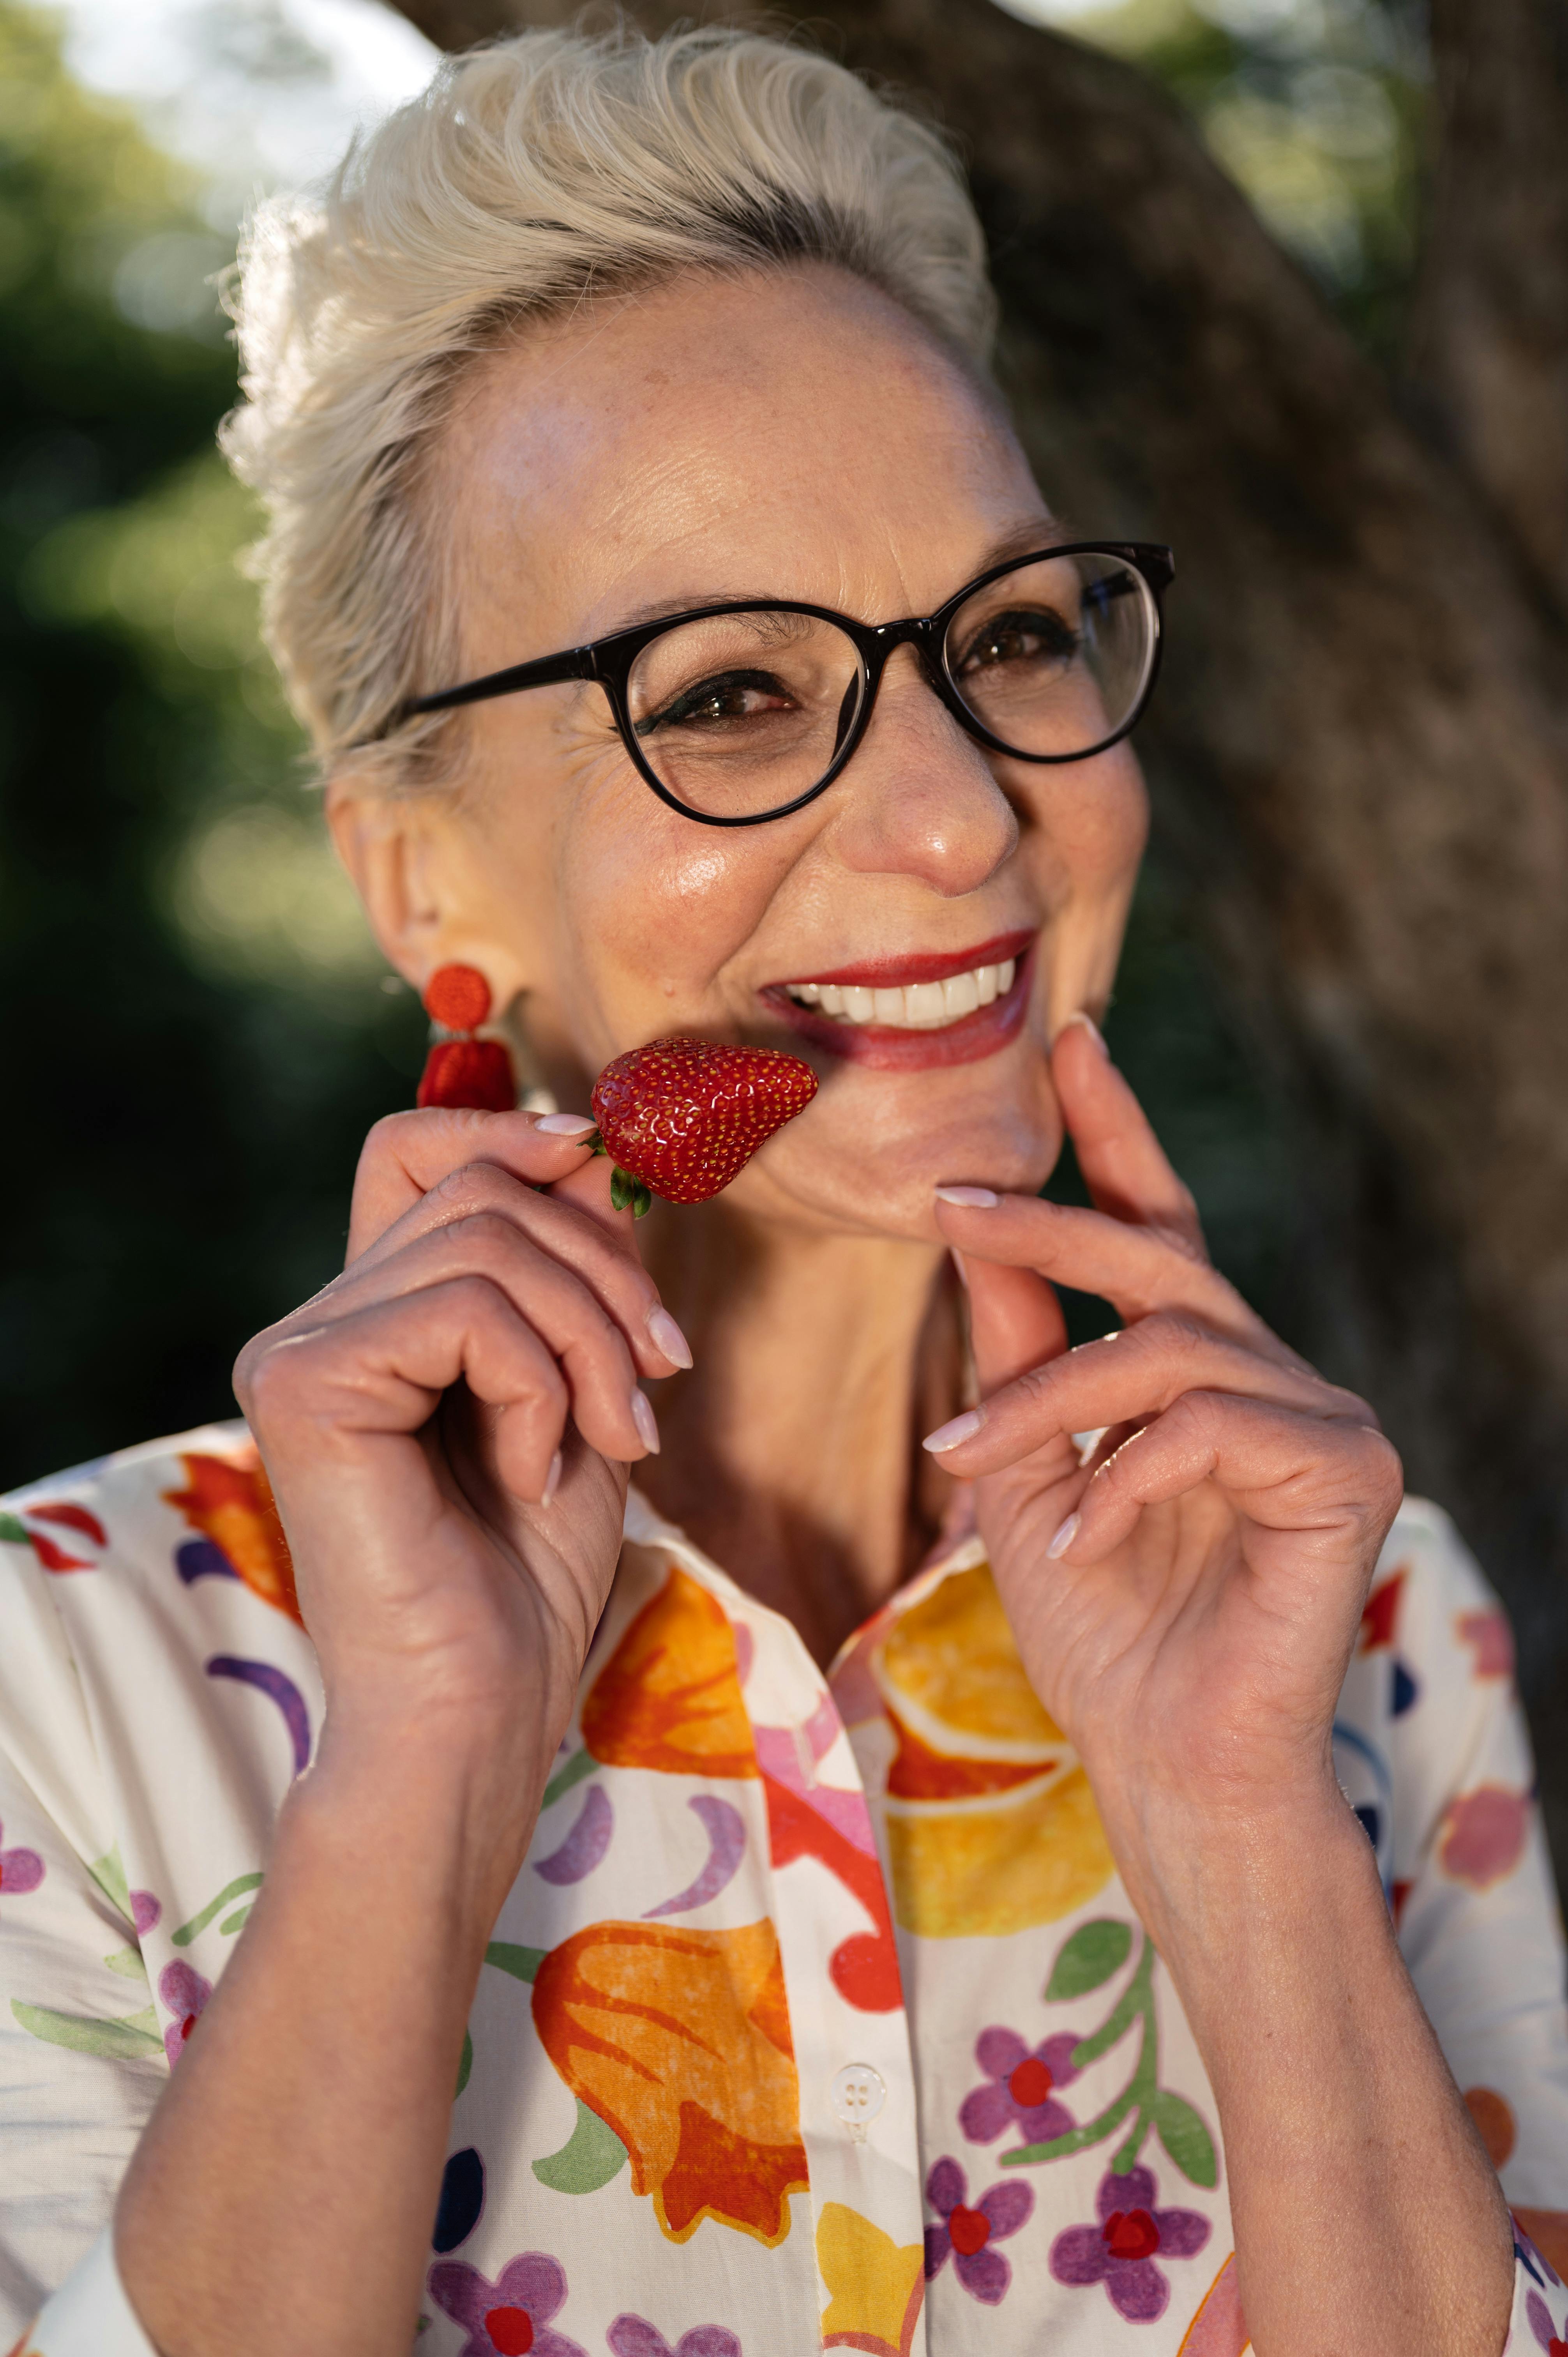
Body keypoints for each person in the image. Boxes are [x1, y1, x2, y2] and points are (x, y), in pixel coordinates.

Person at [1, 25, 1564, 2357]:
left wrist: (1242, 1835)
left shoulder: (1356, 1615)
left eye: (1014, 636)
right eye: (728, 693)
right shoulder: (66, 1670)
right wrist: (419, 1778)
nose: (959, 818)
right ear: (426, 872)